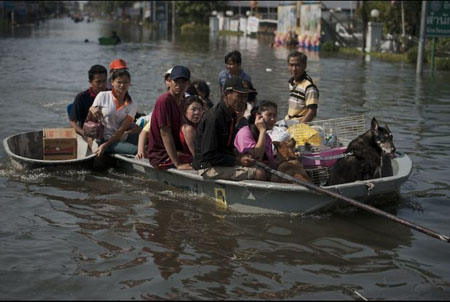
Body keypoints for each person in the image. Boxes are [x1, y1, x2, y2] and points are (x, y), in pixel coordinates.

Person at [193, 76, 267, 181]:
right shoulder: (214, 118)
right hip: (207, 167)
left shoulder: (231, 115)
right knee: (259, 173)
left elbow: (226, 148)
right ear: (227, 94)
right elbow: (209, 155)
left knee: (260, 168)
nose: (243, 101)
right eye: (239, 96)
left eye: (245, 97)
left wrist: (241, 155)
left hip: (219, 163)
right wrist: (237, 160)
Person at [147, 65, 192, 170]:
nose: (179, 85)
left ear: (188, 84)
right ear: (169, 81)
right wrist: (178, 164)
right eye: (176, 81)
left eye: (183, 82)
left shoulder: (183, 100)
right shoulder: (164, 101)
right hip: (160, 156)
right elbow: (165, 133)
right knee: (195, 163)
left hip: (175, 150)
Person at [88, 69, 139, 157]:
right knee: (137, 150)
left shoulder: (132, 104)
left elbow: (121, 130)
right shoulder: (102, 96)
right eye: (119, 82)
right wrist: (92, 109)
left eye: (125, 82)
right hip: (102, 139)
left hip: (116, 138)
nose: (122, 85)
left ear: (129, 83)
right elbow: (90, 121)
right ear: (112, 82)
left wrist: (105, 145)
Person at [234, 101, 278, 169]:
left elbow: (271, 161)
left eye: (274, 116)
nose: (273, 119)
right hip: (252, 170)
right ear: (258, 116)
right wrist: (262, 131)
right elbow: (257, 157)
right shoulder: (245, 132)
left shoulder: (267, 137)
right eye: (269, 115)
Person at [69, 64, 107, 138]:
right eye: (98, 82)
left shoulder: (112, 95)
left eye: (104, 81)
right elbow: (72, 122)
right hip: (88, 133)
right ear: (90, 82)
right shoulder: (81, 98)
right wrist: (84, 134)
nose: (102, 85)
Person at [285, 51, 319, 123]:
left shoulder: (309, 87)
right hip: (289, 122)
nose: (294, 69)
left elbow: (312, 112)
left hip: (299, 126)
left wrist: (298, 128)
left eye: (297, 65)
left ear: (304, 66)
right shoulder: (292, 82)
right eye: (291, 65)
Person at [180, 95, 205, 161]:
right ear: (185, 110)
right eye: (193, 109)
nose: (197, 113)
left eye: (200, 109)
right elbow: (196, 154)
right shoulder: (188, 129)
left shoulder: (197, 126)